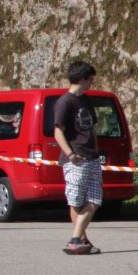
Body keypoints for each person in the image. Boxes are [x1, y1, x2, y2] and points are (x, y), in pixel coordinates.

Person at [52, 62, 104, 255]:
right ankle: (81, 240)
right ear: (82, 78)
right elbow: (58, 132)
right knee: (76, 201)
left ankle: (77, 239)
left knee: (95, 200)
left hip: (92, 158)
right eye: (90, 79)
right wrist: (70, 155)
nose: (92, 83)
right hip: (76, 159)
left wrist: (97, 151)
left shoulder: (86, 101)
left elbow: (92, 129)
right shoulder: (64, 102)